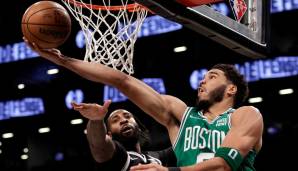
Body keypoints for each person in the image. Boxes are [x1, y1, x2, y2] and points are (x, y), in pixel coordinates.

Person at [24, 38, 263, 171]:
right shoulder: (180, 116)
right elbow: (122, 80)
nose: (202, 80)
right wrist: (62, 60)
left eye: (212, 76)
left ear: (231, 88)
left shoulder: (245, 115)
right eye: (204, 76)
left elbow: (222, 167)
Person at [71, 100, 177, 170]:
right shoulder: (116, 157)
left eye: (127, 116)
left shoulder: (159, 156)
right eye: (115, 120)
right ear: (109, 135)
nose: (123, 121)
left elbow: (188, 144)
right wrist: (96, 120)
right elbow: (99, 145)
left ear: (139, 128)